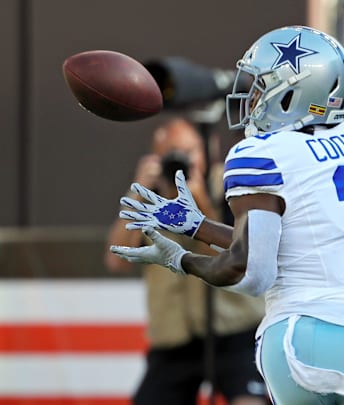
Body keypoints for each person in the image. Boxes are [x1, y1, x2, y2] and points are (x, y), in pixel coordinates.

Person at [109, 26, 344, 405]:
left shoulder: (261, 153)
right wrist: (198, 226)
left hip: (303, 335)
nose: (252, 97)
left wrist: (181, 259)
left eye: (261, 84)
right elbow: (286, 243)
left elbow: (253, 273)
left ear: (296, 89)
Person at [104, 117, 267, 405]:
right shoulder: (150, 198)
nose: (180, 162)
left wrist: (201, 200)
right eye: (171, 155)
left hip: (235, 331)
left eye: (188, 152)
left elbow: (239, 255)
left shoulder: (230, 187)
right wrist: (137, 191)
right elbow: (116, 259)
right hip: (176, 337)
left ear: (209, 149)